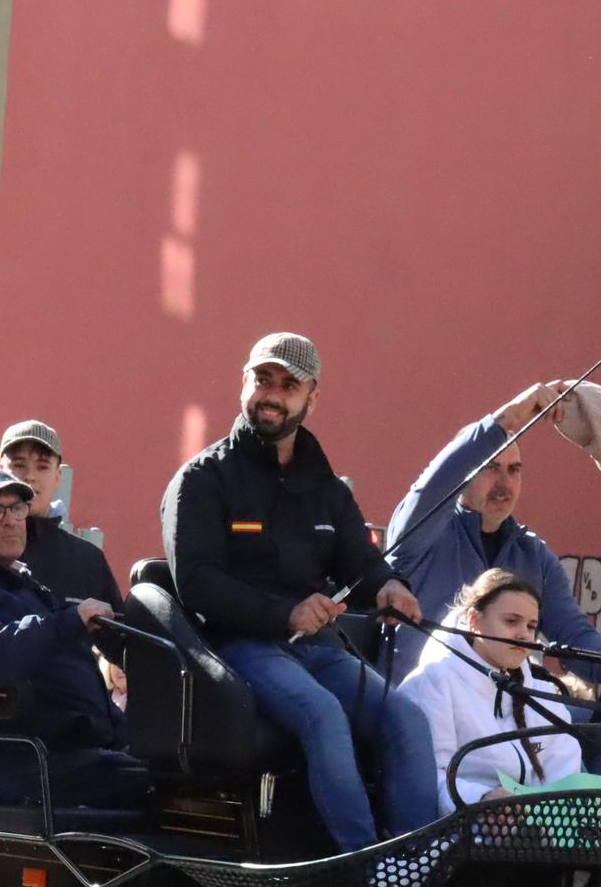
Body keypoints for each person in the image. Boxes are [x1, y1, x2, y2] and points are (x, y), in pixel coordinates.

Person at [160, 332, 435, 852]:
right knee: (322, 714)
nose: (272, 394)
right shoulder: (201, 479)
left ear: (312, 399)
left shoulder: (328, 489)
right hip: (240, 649)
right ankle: (365, 866)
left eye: (289, 385)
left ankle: (417, 862)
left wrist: (392, 588)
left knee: (407, 718)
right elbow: (195, 582)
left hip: (320, 650)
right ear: (245, 382)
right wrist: (285, 612)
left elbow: (363, 563)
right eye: (263, 379)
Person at [0, 464, 148, 810]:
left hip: (52, 756)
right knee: (164, 787)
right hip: (3, 768)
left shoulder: (11, 583)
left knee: (187, 767)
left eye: (17, 508)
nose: (12, 520)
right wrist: (66, 623)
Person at [384, 382, 601, 692]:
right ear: (463, 474)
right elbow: (436, 481)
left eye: (515, 470)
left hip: (506, 710)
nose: (505, 483)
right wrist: (508, 417)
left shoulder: (534, 555)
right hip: (417, 700)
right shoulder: (423, 531)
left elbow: (572, 634)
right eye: (491, 468)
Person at [399, 571, 586, 815]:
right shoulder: (433, 682)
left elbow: (563, 777)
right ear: (474, 620)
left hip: (532, 840)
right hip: (458, 837)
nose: (523, 634)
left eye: (531, 626)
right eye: (511, 621)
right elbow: (424, 779)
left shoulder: (541, 693)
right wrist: (480, 799)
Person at [0, 419, 127, 609]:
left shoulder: (88, 561)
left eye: (42, 467)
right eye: (19, 465)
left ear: (58, 478)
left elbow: (116, 635)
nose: (30, 476)